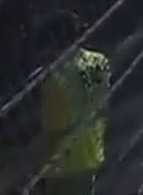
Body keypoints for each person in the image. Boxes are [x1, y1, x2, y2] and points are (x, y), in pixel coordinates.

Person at [38, 16, 109, 195]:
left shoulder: (55, 79)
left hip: (65, 165)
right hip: (93, 150)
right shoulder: (99, 61)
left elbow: (54, 131)